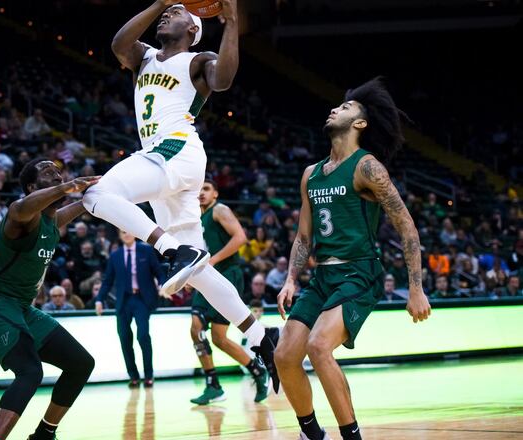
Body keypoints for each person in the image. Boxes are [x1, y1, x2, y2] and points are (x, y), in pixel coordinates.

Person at [81, 0, 271, 369]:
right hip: (164, 163)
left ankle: (174, 251)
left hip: (176, 150)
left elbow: (225, 80)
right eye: (170, 11)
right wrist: (159, 3)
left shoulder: (198, 60)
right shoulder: (144, 57)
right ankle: (262, 337)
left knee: (96, 194)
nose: (170, 14)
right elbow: (119, 44)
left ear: (192, 29)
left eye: (179, 13)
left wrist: (231, 23)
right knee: (198, 273)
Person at [274, 78, 431, 440]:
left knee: (318, 346)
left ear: (360, 123)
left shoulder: (368, 167)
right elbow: (303, 236)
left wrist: (415, 289)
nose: (335, 109)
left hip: (359, 273)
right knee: (284, 356)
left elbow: (406, 227)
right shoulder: (310, 174)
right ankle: (312, 434)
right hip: (322, 278)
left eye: (345, 108)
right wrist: (290, 280)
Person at [0, 158, 98, 440]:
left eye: (59, 173)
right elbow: (22, 207)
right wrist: (69, 186)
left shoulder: (52, 221)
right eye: (49, 174)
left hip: (20, 308)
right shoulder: (20, 213)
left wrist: (106, 192)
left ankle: (44, 435)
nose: (58, 176)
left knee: (81, 363)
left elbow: (86, 205)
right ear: (32, 187)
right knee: (29, 371)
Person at [189, 180, 268, 405]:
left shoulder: (220, 209)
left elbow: (240, 238)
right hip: (206, 277)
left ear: (215, 193)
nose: (201, 193)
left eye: (206, 188)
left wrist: (212, 260)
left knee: (219, 339)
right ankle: (213, 384)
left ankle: (257, 371)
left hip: (227, 275)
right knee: (197, 330)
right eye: (199, 189)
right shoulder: (197, 217)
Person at [95, 230, 165, 387]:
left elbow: (159, 272)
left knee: (143, 336)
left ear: (134, 233)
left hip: (141, 299)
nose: (126, 234)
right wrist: (99, 299)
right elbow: (107, 281)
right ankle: (133, 376)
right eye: (122, 232)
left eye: (128, 231)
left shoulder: (146, 250)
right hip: (123, 301)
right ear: (119, 235)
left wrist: (162, 286)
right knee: (125, 339)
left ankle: (149, 375)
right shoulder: (115, 255)